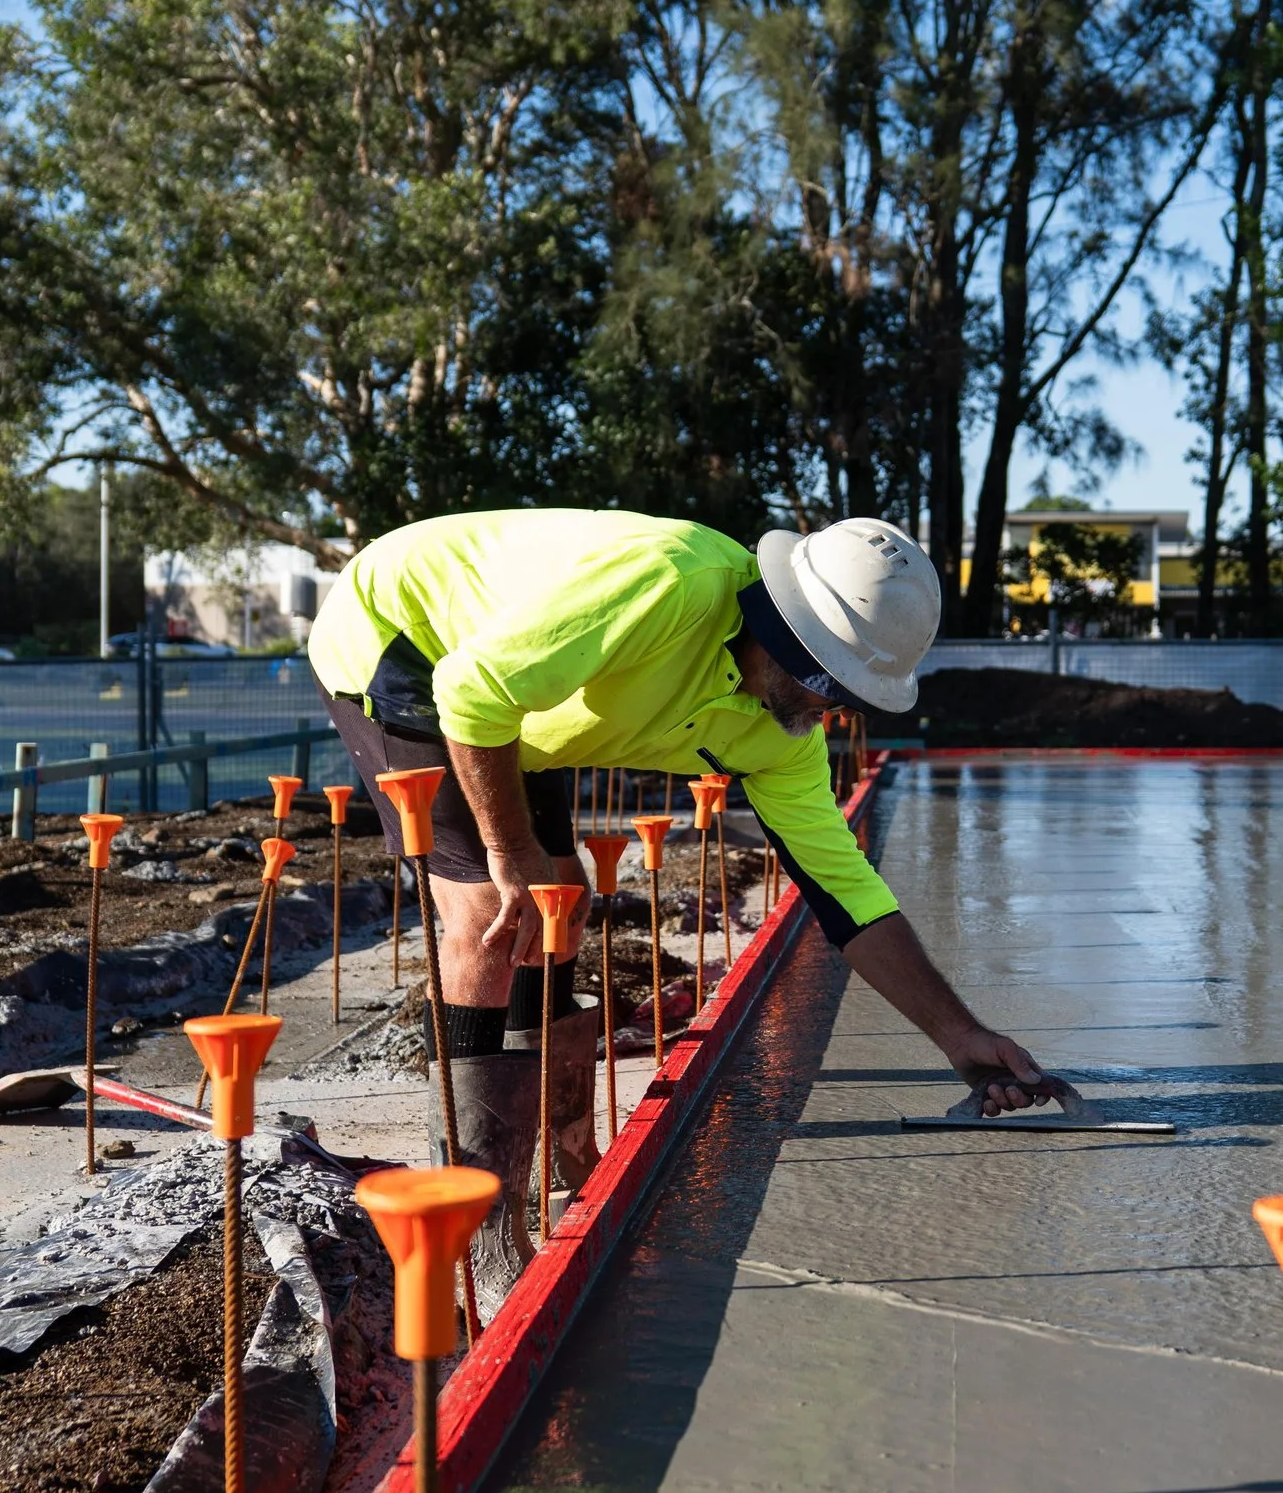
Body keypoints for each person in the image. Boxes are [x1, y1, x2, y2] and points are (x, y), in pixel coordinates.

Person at [309, 508, 1059, 1258]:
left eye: (853, 693)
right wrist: (508, 850)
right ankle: (473, 1221)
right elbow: (472, 689)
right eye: (827, 678)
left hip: (515, 705)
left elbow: (848, 896)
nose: (830, 705)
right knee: (485, 912)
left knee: (562, 893)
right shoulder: (666, 587)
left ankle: (566, 1145)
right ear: (780, 623)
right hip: (403, 634)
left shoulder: (781, 733)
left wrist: (960, 1036)